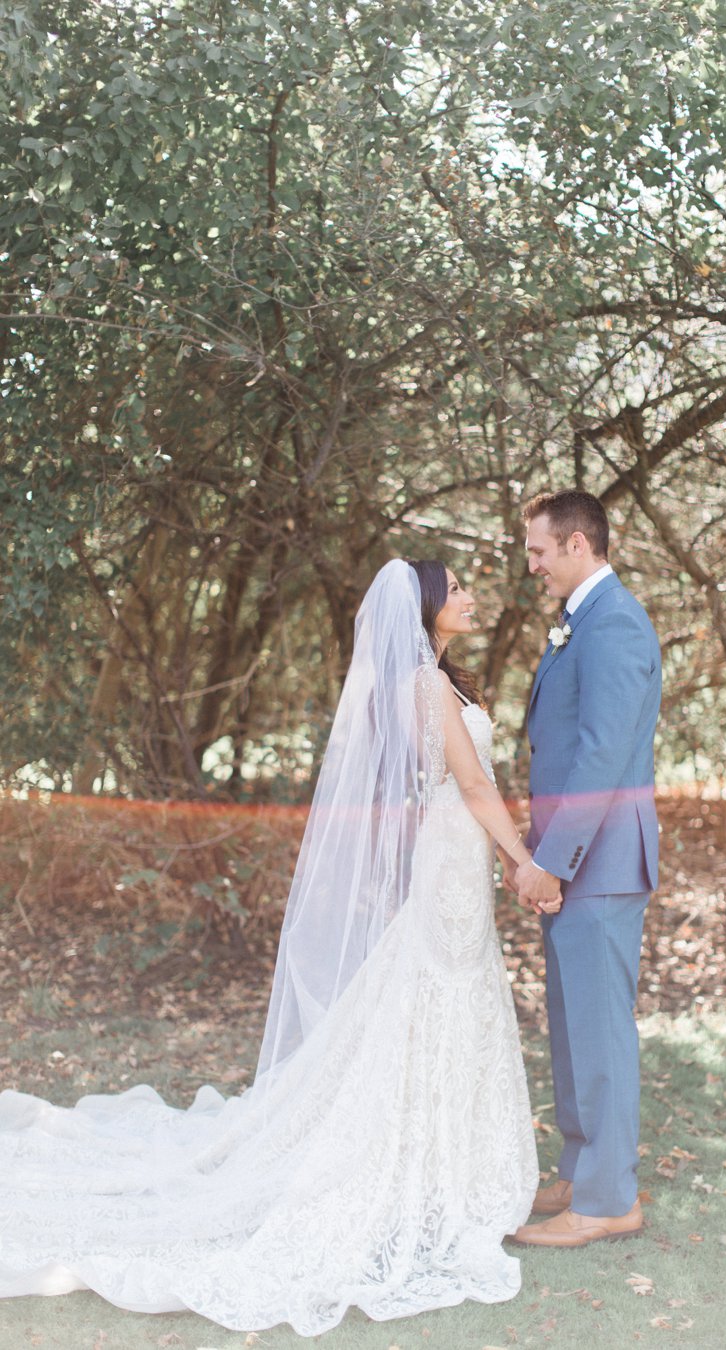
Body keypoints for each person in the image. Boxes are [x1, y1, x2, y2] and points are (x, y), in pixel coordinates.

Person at [0, 558, 549, 1336]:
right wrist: (522, 859)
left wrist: (502, 854)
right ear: (424, 607)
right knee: (433, 993)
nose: (468, 596)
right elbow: (473, 786)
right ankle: (415, 1170)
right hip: (453, 857)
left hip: (459, 858)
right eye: (455, 588)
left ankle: (446, 1163)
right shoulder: (423, 685)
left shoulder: (440, 678)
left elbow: (474, 785)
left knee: (445, 995)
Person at [509, 490, 661, 1248]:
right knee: (573, 1028)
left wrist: (551, 859)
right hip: (576, 862)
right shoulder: (583, 620)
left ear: (576, 544)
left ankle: (606, 1202)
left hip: (596, 863)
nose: (531, 564)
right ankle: (579, 1170)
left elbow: (603, 755)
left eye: (539, 550)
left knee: (600, 1031)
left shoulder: (617, 624)